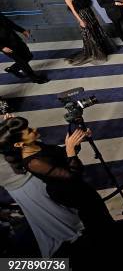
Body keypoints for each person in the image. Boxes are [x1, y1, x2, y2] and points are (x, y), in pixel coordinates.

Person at [1, 118, 115, 237]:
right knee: (93, 216)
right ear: (19, 144)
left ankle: (111, 233)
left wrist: (75, 142)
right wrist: (70, 150)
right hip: (67, 191)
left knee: (98, 209)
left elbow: (61, 155)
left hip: (75, 185)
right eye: (29, 131)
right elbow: (73, 175)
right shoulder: (33, 163)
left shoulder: (35, 145)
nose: (34, 129)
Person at [1, 115, 83, 257]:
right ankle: (68, 236)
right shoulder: (30, 161)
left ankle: (69, 232)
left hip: (25, 172)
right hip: (18, 181)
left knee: (51, 211)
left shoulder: (30, 155)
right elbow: (71, 175)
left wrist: (8, 128)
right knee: (49, 213)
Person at [60, 0, 115, 65]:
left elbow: (85, 4)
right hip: (82, 16)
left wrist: (93, 15)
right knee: (89, 34)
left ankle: (103, 49)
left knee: (96, 30)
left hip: (89, 13)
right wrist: (80, 21)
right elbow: (73, 10)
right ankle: (96, 54)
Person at [1, 13, 47, 83]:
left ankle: (13, 69)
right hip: (5, 44)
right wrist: (2, 48)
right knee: (21, 61)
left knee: (28, 56)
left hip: (14, 39)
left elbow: (10, 23)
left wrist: (22, 30)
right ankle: (34, 78)